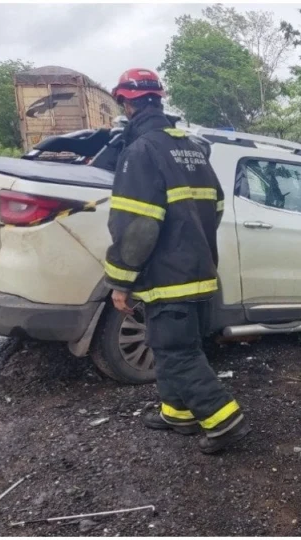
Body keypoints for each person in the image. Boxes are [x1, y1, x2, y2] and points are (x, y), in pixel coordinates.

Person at [103, 68, 248, 454]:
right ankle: (178, 414)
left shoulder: (141, 151)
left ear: (126, 104)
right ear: (159, 99)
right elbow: (215, 208)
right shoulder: (191, 149)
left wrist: (121, 281)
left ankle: (225, 420)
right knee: (169, 346)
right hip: (199, 272)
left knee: (177, 352)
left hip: (166, 277)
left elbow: (137, 226)